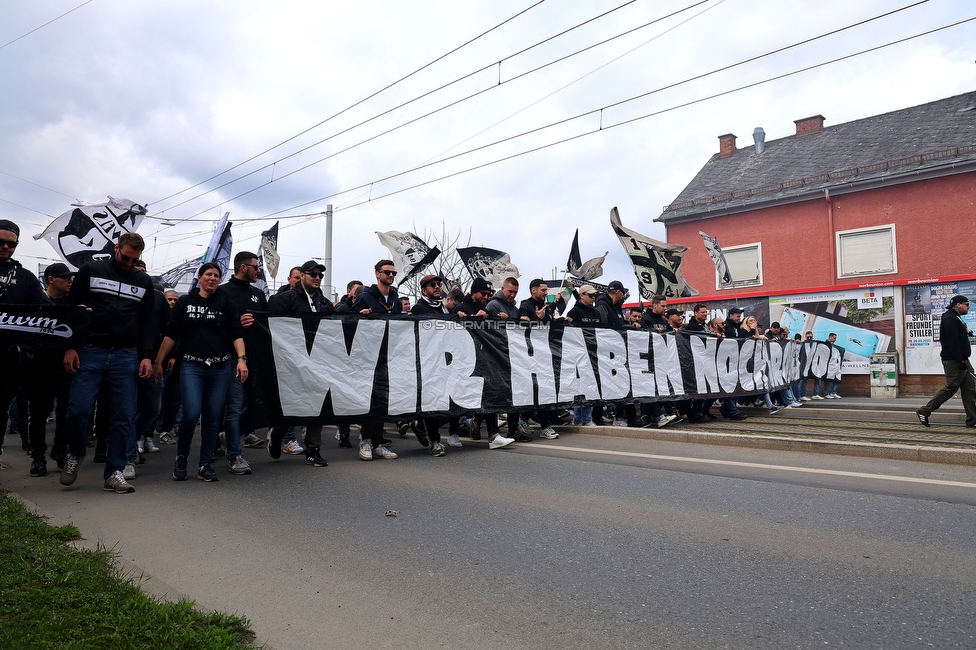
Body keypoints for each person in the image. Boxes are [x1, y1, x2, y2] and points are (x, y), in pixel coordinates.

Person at [60, 232, 155, 494]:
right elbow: (72, 310)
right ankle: (76, 453)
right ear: (116, 248)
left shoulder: (143, 280)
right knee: (77, 410)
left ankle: (114, 471)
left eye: (135, 260)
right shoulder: (91, 269)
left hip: (126, 353)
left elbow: (148, 322)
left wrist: (146, 355)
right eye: (125, 257)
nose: (128, 263)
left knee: (123, 414)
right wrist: (71, 347)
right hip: (90, 350)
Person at [152, 263, 246, 482]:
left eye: (216, 275)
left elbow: (236, 333)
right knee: (191, 413)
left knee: (213, 417)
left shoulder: (226, 303)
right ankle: (182, 457)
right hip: (192, 366)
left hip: (220, 368)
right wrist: (158, 362)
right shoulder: (185, 302)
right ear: (200, 277)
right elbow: (171, 334)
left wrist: (241, 360)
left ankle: (205, 464)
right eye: (208, 275)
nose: (212, 278)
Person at [266, 260, 334, 466]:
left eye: (320, 275)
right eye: (312, 274)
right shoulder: (283, 299)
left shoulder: (325, 303)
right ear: (301, 276)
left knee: (318, 405)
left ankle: (313, 449)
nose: (317, 278)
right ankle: (278, 431)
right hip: (290, 362)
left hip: (318, 362)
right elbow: (271, 328)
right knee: (292, 406)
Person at [0, 220, 54, 473]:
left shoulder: (24, 276)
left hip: (12, 354)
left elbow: (46, 307)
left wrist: (74, 312)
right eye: (1, 242)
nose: (6, 247)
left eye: (11, 244)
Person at [218, 251, 269, 474]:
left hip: (256, 357)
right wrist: (236, 323)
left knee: (262, 402)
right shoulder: (223, 292)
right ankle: (236, 454)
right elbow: (214, 324)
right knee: (234, 406)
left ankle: (231, 434)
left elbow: (267, 323)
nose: (258, 271)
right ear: (242, 267)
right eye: (255, 267)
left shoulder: (258, 293)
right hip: (231, 359)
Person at [352, 259, 402, 461]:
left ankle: (378, 442)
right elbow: (345, 317)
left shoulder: (395, 299)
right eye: (387, 272)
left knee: (383, 400)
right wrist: (359, 314)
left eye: (393, 273)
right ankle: (365, 440)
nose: (390, 275)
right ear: (377, 274)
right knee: (370, 399)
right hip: (368, 356)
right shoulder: (365, 297)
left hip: (389, 356)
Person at [917, 295, 976, 428]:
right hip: (954, 361)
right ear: (959, 304)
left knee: (969, 390)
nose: (969, 307)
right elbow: (952, 341)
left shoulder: (956, 317)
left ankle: (972, 420)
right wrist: (960, 361)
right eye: (967, 304)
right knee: (951, 387)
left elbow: (959, 335)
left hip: (962, 359)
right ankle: (924, 411)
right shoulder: (950, 319)